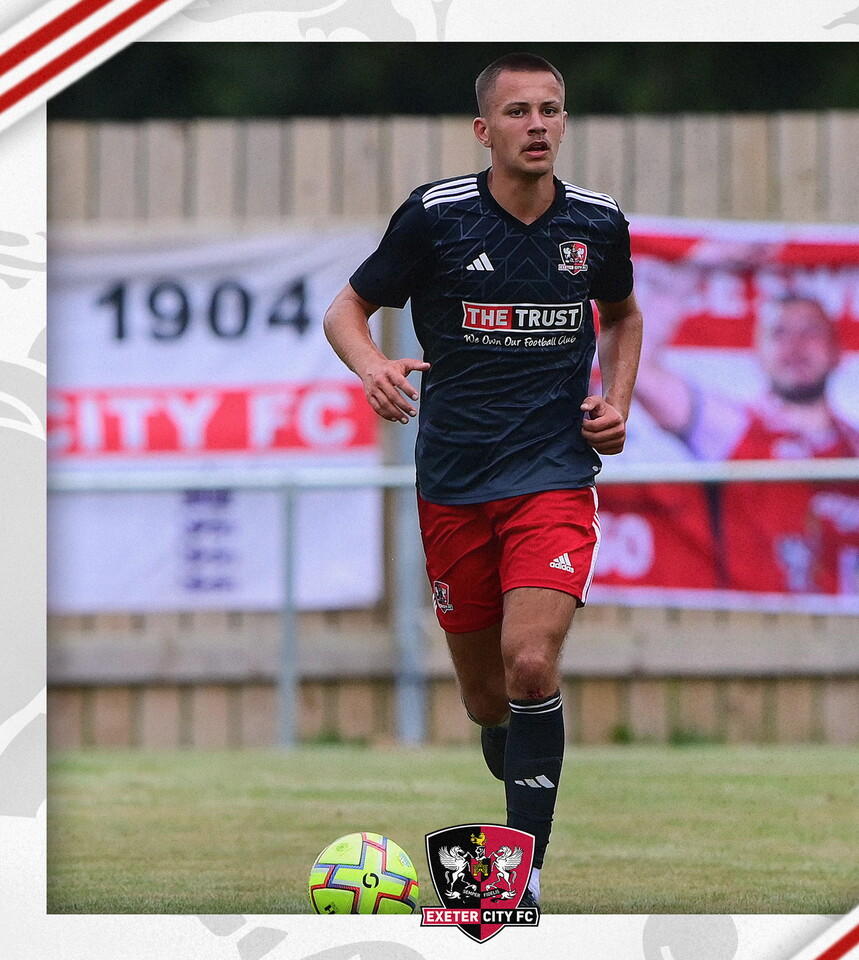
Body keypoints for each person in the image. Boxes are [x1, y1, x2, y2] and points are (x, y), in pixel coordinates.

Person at [323, 52, 643, 909]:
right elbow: (346, 307)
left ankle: (516, 880)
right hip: (455, 482)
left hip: (553, 475)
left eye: (551, 110)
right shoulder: (437, 218)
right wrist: (370, 368)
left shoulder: (598, 224)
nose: (537, 125)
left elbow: (620, 314)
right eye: (518, 112)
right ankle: (515, 792)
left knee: (531, 661)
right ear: (484, 130)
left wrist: (616, 402)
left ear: (564, 121)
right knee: (487, 700)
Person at [634, 294, 859, 595]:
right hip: (755, 632)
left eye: (810, 331)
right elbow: (636, 369)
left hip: (847, 637)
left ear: (837, 350)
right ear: (758, 352)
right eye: (780, 333)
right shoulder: (734, 428)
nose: (795, 345)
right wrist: (694, 267)